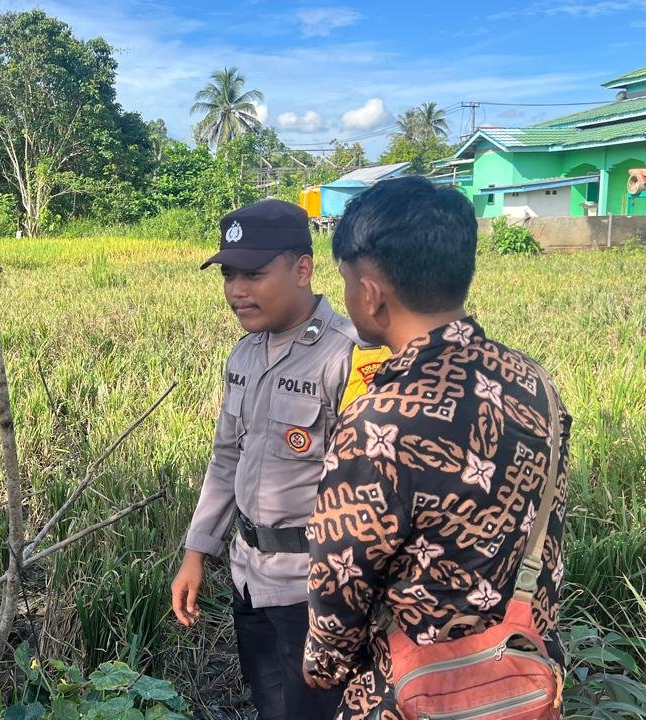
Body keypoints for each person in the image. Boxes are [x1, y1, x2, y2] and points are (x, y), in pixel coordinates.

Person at [303, 177, 570, 718]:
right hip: (521, 678)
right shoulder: (534, 382)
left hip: (413, 691)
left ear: (371, 293)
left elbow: (341, 576)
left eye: (347, 282)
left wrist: (323, 665)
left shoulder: (380, 421)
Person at [170, 199, 390, 720]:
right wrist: (197, 552)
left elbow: (375, 490)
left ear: (302, 268)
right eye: (228, 275)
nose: (236, 290)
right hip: (249, 575)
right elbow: (226, 458)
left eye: (253, 274)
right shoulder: (245, 354)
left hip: (315, 590)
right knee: (269, 705)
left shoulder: (350, 355)